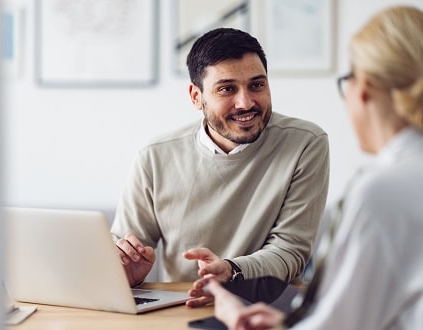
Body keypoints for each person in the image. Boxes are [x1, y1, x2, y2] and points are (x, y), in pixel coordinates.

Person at [205, 5, 423, 329]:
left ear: (363, 89)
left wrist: (238, 318)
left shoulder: (381, 191)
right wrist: (285, 322)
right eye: (227, 88)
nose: (245, 103)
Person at [111, 27, 330, 304]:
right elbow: (124, 247)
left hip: (267, 307)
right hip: (182, 306)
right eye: (227, 88)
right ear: (195, 97)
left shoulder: (305, 143)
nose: (246, 102)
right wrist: (127, 269)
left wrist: (233, 271)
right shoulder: (155, 156)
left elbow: (291, 250)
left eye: (257, 85)